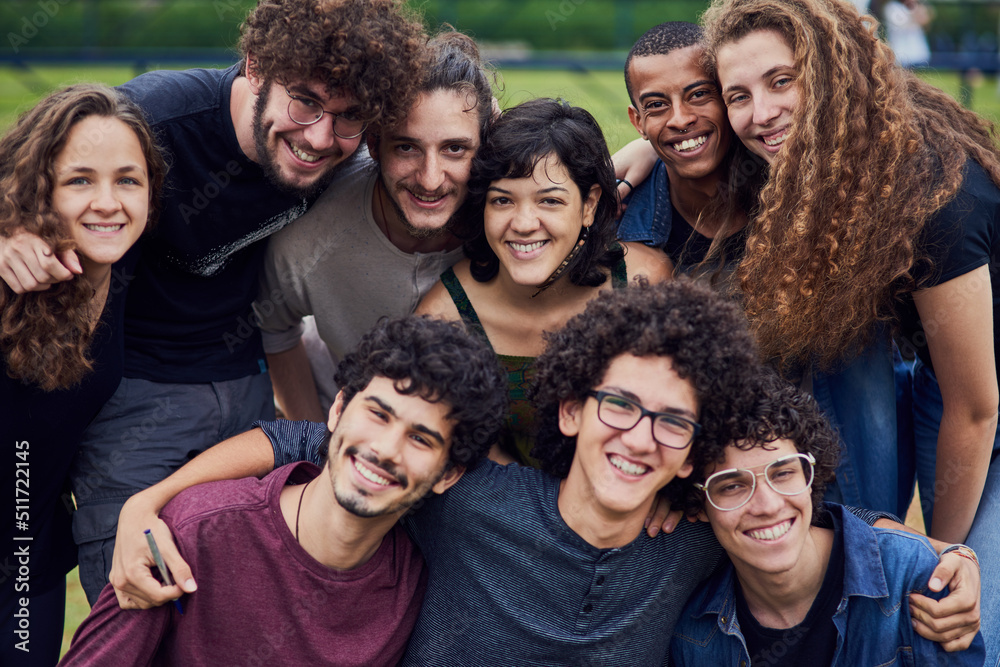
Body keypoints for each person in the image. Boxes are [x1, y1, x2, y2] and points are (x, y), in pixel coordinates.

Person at [111, 281, 981, 664]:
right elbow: (316, 439)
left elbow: (806, 524)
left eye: (673, 420)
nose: (639, 437)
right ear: (568, 408)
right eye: (618, 405)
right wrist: (146, 500)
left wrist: (941, 558)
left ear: (692, 447)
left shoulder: (693, 540)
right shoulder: (465, 498)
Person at [0, 0, 427, 604]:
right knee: (134, 597)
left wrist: (615, 175)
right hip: (133, 393)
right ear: (255, 67)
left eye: (349, 117)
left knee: (242, 602)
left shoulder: (341, 157)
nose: (320, 137)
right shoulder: (156, 118)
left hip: (245, 383)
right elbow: (34, 162)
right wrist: (7, 229)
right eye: (304, 101)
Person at [702, 0, 1000, 661]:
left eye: (783, 80)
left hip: (983, 401)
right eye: (738, 96)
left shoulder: (938, 196)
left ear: (832, 74)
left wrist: (939, 558)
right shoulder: (819, 168)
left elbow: (977, 408)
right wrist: (639, 150)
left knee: (956, 621)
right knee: (826, 324)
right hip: (932, 382)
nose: (761, 113)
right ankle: (852, 560)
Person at [58, 316, 507, 666]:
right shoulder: (193, 531)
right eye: (378, 414)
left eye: (421, 439)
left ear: (448, 474)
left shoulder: (420, 584)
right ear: (337, 410)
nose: (385, 450)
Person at [0, 84, 166, 666]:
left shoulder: (117, 268)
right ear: (37, 189)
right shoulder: (11, 276)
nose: (107, 201)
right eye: (79, 180)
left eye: (127, 179)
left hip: (27, 569)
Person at [417, 98, 672, 465]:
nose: (523, 223)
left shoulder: (642, 284)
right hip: (505, 500)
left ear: (588, 205)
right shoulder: (447, 314)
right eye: (502, 200)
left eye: (549, 201)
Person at [671, 370, 985, 666]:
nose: (766, 505)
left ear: (812, 475)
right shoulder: (693, 634)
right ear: (699, 503)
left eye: (782, 473)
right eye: (733, 486)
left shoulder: (912, 578)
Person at [258, 30, 492, 421]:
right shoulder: (310, 237)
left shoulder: (508, 218)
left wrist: (635, 153)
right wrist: (315, 441)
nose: (431, 179)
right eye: (406, 147)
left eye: (455, 148)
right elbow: (275, 330)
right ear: (373, 144)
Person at [617, 21, 761, 276]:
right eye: (657, 104)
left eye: (698, 94)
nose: (681, 119)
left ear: (729, 95)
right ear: (638, 122)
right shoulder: (614, 215)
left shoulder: (793, 185)